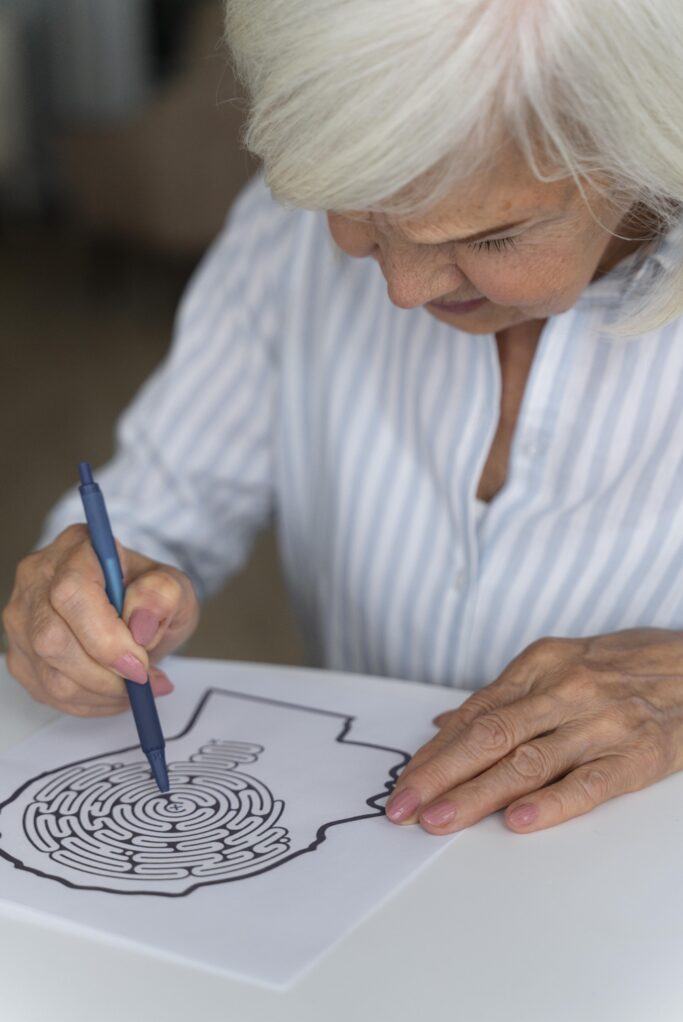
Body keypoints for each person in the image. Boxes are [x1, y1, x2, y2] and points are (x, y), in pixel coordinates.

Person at [4, 0, 683, 836]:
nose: (403, 289)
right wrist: (82, 602)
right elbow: (157, 502)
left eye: (493, 236)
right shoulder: (288, 227)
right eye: (361, 215)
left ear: (649, 141)